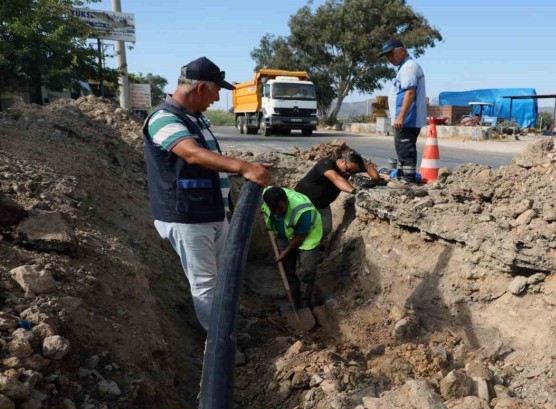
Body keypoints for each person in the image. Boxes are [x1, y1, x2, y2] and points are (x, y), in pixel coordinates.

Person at [143, 56, 272, 332]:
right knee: (205, 284)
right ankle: (219, 345)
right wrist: (243, 167)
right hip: (187, 216)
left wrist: (245, 167)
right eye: (216, 91)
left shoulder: (196, 119)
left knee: (223, 276)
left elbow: (210, 159)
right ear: (201, 88)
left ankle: (228, 326)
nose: (217, 98)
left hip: (212, 212)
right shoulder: (163, 118)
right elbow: (192, 154)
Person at [294, 150, 382, 240]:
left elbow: (368, 166)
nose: (348, 174)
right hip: (302, 200)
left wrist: (376, 180)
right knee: (297, 227)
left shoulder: (351, 167)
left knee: (326, 229)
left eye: (352, 172)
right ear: (343, 161)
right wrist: (356, 191)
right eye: (348, 170)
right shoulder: (326, 163)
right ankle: (293, 246)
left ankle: (310, 245)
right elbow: (336, 179)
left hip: (321, 205)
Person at [261, 186, 323, 309]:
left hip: (308, 236)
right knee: (288, 270)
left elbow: (301, 235)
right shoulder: (267, 195)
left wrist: (284, 252)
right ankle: (294, 300)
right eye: (274, 210)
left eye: (280, 208)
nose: (278, 212)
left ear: (286, 201)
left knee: (307, 271)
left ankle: (306, 300)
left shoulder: (302, 209)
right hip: (284, 235)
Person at [380, 39, 427, 185]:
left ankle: (409, 180)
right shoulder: (404, 67)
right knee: (402, 149)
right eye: (387, 56)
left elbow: (410, 93)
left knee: (406, 149)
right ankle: (403, 176)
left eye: (391, 54)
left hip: (407, 120)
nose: (390, 59)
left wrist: (401, 117)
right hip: (404, 120)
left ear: (402, 50)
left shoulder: (408, 67)